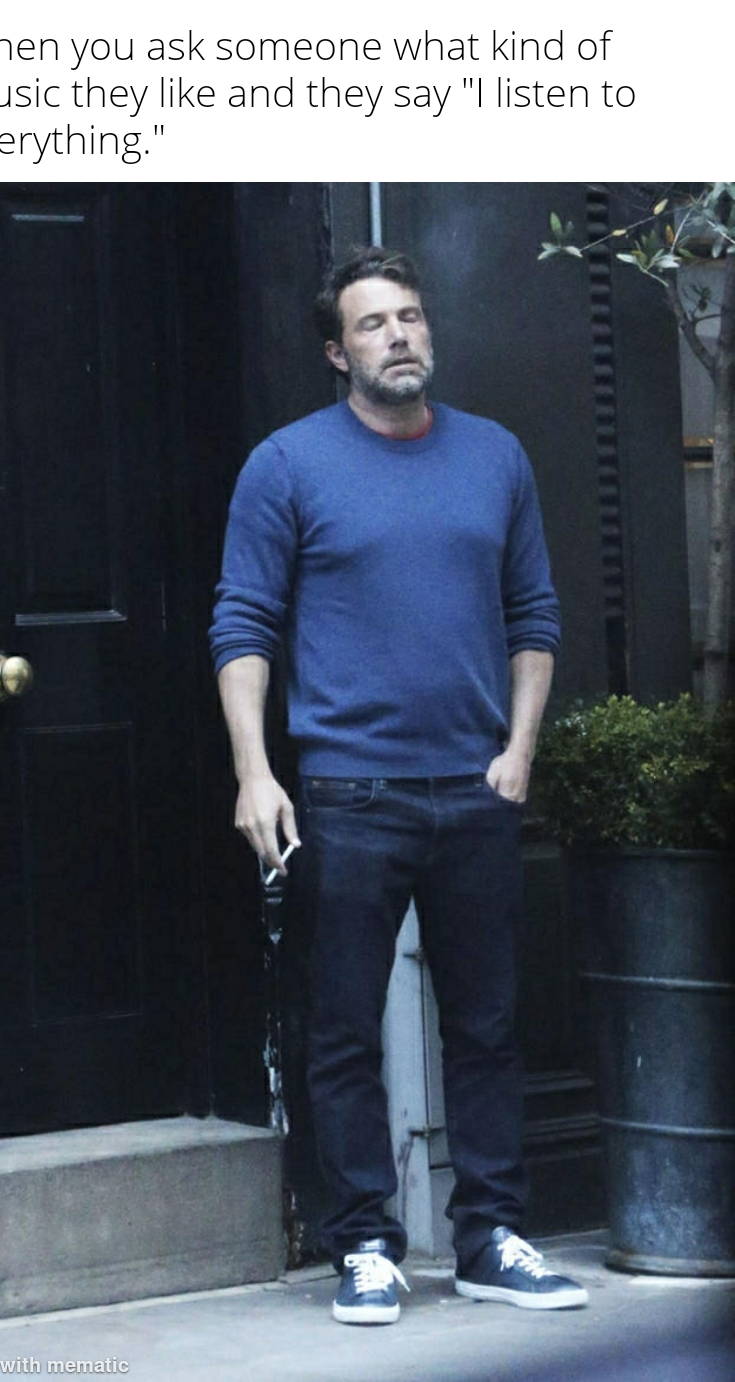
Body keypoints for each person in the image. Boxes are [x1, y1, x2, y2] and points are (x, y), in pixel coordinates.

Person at [209, 246, 589, 1324]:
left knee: (487, 1026)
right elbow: (243, 622)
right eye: (373, 324)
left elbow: (533, 613)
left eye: (411, 316)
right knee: (341, 1034)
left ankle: (490, 1238)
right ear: (338, 352)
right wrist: (254, 772)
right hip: (347, 792)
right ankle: (365, 1245)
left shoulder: (494, 455)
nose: (399, 335)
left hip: (475, 788)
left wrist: (518, 752)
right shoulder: (286, 464)